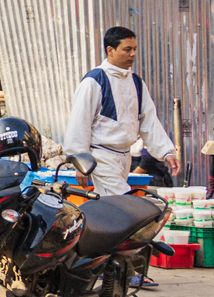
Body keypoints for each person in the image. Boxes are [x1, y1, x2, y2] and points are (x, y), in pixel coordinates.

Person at [62, 26, 180, 196]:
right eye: (127, 49)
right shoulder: (94, 81)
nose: (133, 54)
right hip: (101, 157)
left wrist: (166, 152)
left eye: (134, 49)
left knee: (112, 205)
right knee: (121, 202)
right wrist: (80, 161)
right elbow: (79, 122)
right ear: (110, 50)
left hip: (125, 156)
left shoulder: (136, 82)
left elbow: (149, 121)